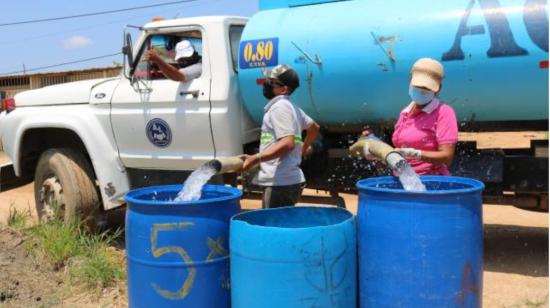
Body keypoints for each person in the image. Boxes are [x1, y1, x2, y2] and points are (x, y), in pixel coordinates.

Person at [241, 64, 320, 208]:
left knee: (274, 226)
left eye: (271, 82)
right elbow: (314, 128)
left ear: (284, 89)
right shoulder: (293, 108)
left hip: (279, 183)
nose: (266, 84)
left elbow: (287, 143)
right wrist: (303, 149)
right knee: (283, 224)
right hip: (287, 181)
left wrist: (255, 158)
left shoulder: (279, 107)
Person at [389, 58, 458, 175]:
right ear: (409, 81)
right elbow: (398, 149)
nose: (421, 91)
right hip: (403, 179)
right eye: (418, 87)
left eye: (426, 89)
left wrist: (416, 154)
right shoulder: (405, 112)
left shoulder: (443, 112)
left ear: (438, 89)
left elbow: (447, 157)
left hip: (431, 182)